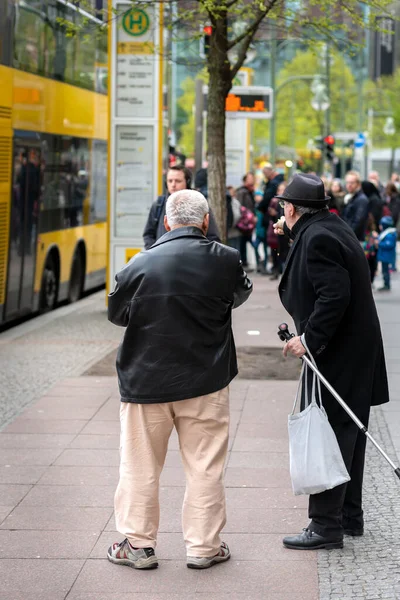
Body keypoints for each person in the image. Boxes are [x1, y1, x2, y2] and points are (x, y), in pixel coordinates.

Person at [107, 189, 253, 570]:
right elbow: (239, 296)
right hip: (206, 378)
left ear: (167, 221)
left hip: (145, 381)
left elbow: (117, 314)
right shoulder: (226, 260)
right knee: (205, 466)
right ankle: (204, 547)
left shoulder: (140, 263)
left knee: (139, 465)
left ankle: (138, 545)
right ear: (206, 222)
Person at [274, 173, 389, 550]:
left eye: (283, 208)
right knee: (348, 433)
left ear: (291, 208)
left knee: (333, 434)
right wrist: (289, 235)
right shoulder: (328, 226)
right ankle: (347, 516)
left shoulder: (318, 237)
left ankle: (325, 526)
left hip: (339, 353)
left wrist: (308, 341)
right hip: (356, 351)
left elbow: (333, 296)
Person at [142, 165, 220, 249]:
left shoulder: (199, 203)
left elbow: (213, 237)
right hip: (163, 258)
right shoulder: (158, 204)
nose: (173, 185)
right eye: (170, 181)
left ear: (187, 182)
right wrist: (154, 253)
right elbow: (148, 235)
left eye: (178, 181)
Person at [236, 172, 256, 267]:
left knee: (247, 240)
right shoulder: (242, 192)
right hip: (245, 221)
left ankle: (245, 261)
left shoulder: (250, 191)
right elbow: (240, 206)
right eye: (250, 178)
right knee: (244, 241)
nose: (252, 180)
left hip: (249, 221)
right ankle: (243, 261)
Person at [342, 171, 369, 241]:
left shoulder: (362, 199)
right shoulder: (350, 197)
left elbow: (358, 222)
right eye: (347, 182)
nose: (349, 185)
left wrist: (347, 237)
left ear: (358, 184)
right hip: (350, 237)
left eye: (352, 182)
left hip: (355, 240)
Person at [258, 163, 285, 227]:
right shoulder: (281, 180)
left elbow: (267, 198)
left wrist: (260, 207)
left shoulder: (273, 183)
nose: (265, 176)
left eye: (265, 173)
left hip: (272, 214)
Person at [377, 215, 397, 292]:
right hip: (384, 256)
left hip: (386, 256)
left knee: (385, 271)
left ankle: (387, 284)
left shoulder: (389, 234)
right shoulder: (386, 233)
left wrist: (379, 243)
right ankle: (386, 283)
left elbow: (389, 244)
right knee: (384, 271)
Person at [253, 190, 268, 273]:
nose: (257, 197)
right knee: (255, 246)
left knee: (266, 250)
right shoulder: (255, 207)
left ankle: (264, 266)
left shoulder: (264, 207)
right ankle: (258, 263)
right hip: (258, 232)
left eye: (258, 196)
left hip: (264, 232)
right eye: (256, 196)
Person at [226, 186, 242, 251]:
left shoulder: (233, 201)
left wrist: (230, 225)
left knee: (233, 249)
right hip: (235, 230)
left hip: (232, 230)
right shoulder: (235, 201)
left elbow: (237, 215)